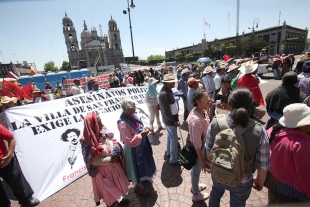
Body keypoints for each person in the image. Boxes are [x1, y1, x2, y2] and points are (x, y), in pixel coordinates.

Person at [206, 88, 270, 207]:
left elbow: (208, 150)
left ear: (229, 104)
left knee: (215, 194)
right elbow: (263, 163)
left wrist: (218, 166)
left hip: (218, 172)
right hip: (243, 179)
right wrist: (260, 180)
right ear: (251, 105)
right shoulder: (259, 130)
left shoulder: (215, 122)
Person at [264, 103, 310, 204]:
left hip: (272, 180)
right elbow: (305, 175)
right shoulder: (301, 144)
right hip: (293, 192)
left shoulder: (273, 130)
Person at [117, 98, 156, 195]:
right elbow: (128, 141)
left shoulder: (134, 116)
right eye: (133, 107)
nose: (135, 108)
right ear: (127, 109)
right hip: (133, 150)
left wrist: (145, 128)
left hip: (142, 146)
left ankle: (145, 177)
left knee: (145, 163)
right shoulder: (123, 123)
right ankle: (138, 187)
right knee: (136, 169)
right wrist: (141, 135)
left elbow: (139, 127)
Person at [0, 124, 40, 207]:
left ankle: (27, 200)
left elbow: (11, 139)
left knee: (17, 180)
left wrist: (9, 155)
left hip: (5, 160)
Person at [187, 89, 210, 202]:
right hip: (198, 148)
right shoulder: (195, 121)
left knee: (195, 170)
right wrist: (202, 160)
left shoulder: (202, 110)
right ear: (198, 101)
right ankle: (196, 194)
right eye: (206, 99)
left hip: (201, 145)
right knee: (196, 170)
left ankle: (194, 185)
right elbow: (197, 144)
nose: (209, 100)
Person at [159, 74, 181, 166]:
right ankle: (174, 159)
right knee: (174, 139)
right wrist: (174, 121)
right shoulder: (163, 94)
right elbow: (166, 111)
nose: (174, 83)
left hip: (170, 120)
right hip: (170, 120)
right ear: (167, 83)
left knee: (170, 137)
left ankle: (169, 153)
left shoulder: (168, 90)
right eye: (172, 82)